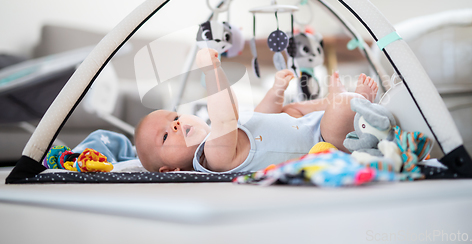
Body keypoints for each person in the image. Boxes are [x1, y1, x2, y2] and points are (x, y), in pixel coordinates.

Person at [135, 48, 378, 173]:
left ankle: (337, 102)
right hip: (325, 141)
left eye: (175, 117)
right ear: (171, 170)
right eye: (165, 136)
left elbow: (262, 116)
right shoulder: (215, 157)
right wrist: (212, 71)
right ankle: (354, 102)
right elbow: (224, 116)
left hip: (308, 123)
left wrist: (276, 91)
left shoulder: (226, 137)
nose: (175, 125)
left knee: (290, 108)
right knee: (338, 114)